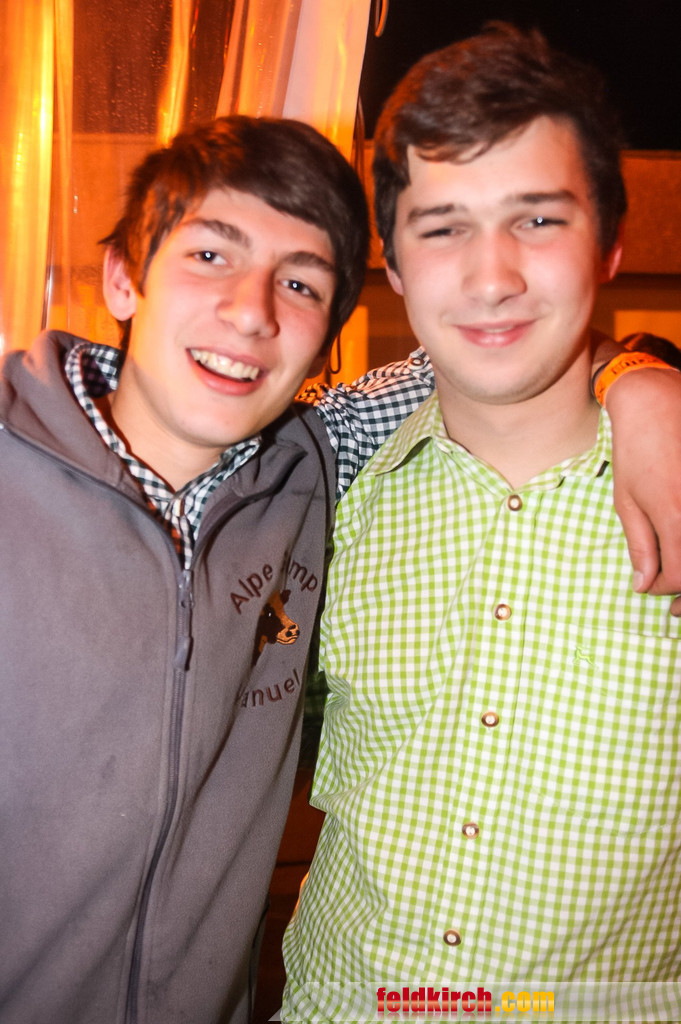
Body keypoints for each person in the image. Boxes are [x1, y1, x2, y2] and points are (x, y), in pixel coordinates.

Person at [0, 112, 677, 1024]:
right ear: (123, 276)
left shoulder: (319, 456)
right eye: (210, 255)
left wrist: (639, 377)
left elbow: (502, 339)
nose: (251, 310)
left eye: (300, 283)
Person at [282, 24, 681, 1023]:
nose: (491, 275)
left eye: (537, 219)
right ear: (394, 265)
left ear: (610, 245)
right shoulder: (326, 494)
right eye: (443, 226)